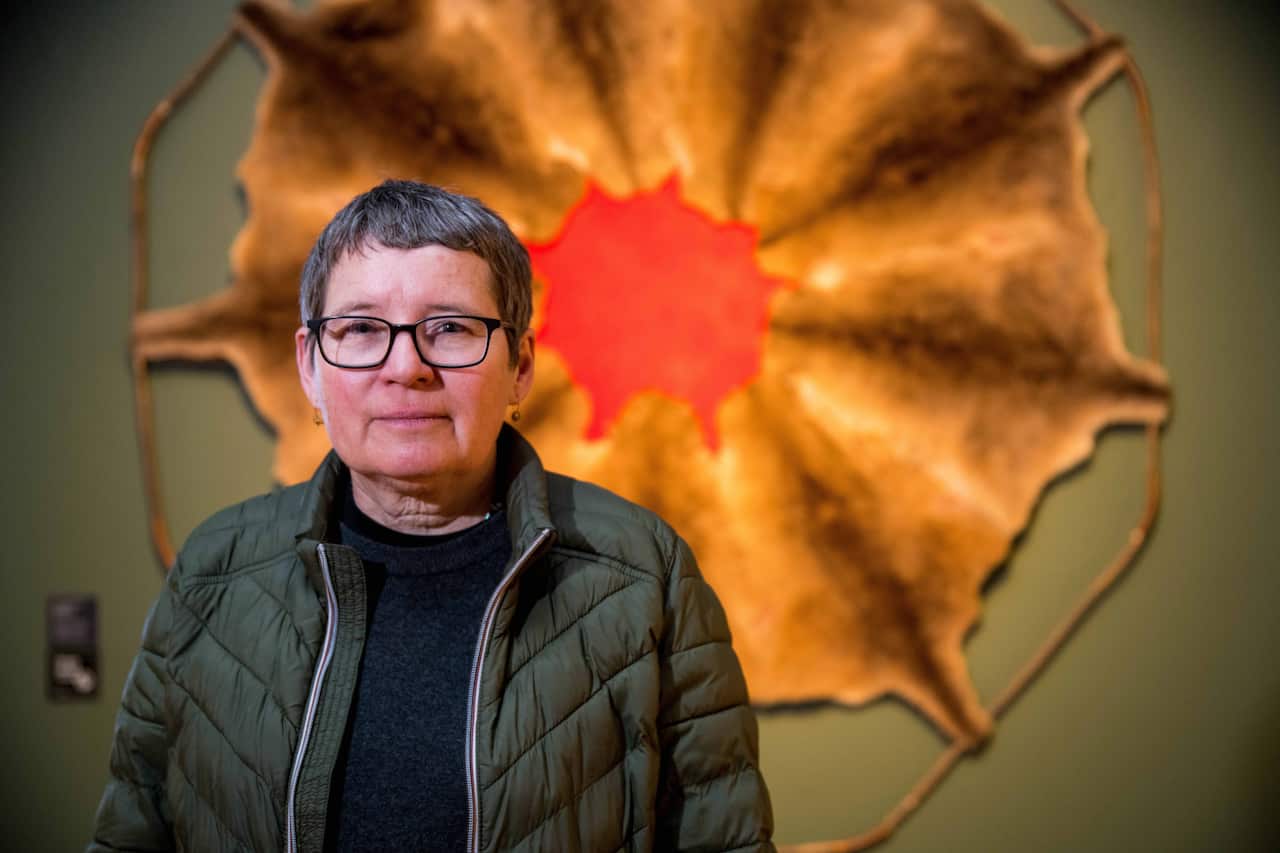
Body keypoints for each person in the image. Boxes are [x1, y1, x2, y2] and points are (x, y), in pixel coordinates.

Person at [89, 179, 774, 852]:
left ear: (520, 367)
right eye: (361, 328)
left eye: (449, 328)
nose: (406, 365)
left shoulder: (640, 572)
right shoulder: (215, 573)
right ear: (310, 366)